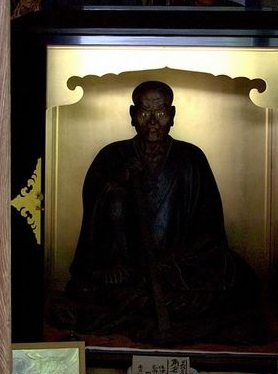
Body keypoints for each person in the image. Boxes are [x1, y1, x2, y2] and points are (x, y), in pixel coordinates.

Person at [53, 81, 262, 345]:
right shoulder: (112, 156)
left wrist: (171, 264)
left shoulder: (191, 158)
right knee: (89, 293)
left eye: (161, 113)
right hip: (123, 274)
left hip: (177, 270)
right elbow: (94, 224)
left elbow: (211, 232)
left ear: (172, 115)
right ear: (132, 114)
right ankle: (141, 301)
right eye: (144, 112)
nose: (153, 121)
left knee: (238, 285)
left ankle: (146, 303)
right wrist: (115, 185)